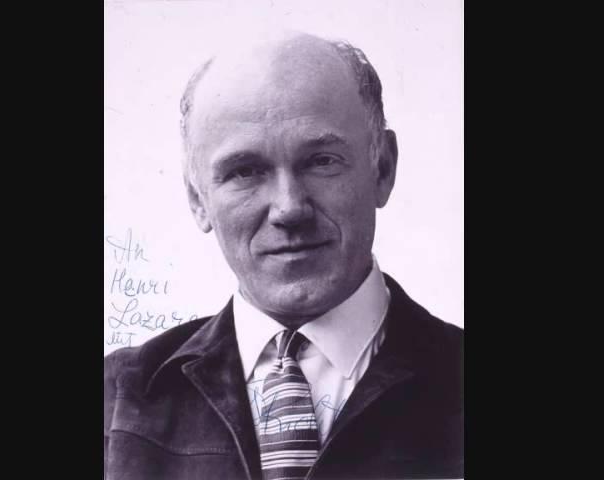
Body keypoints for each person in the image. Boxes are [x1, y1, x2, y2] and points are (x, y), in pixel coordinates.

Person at [104, 30, 463, 480]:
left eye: (322, 161)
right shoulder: (115, 401)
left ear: (383, 168)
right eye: (245, 172)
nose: (289, 208)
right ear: (198, 198)